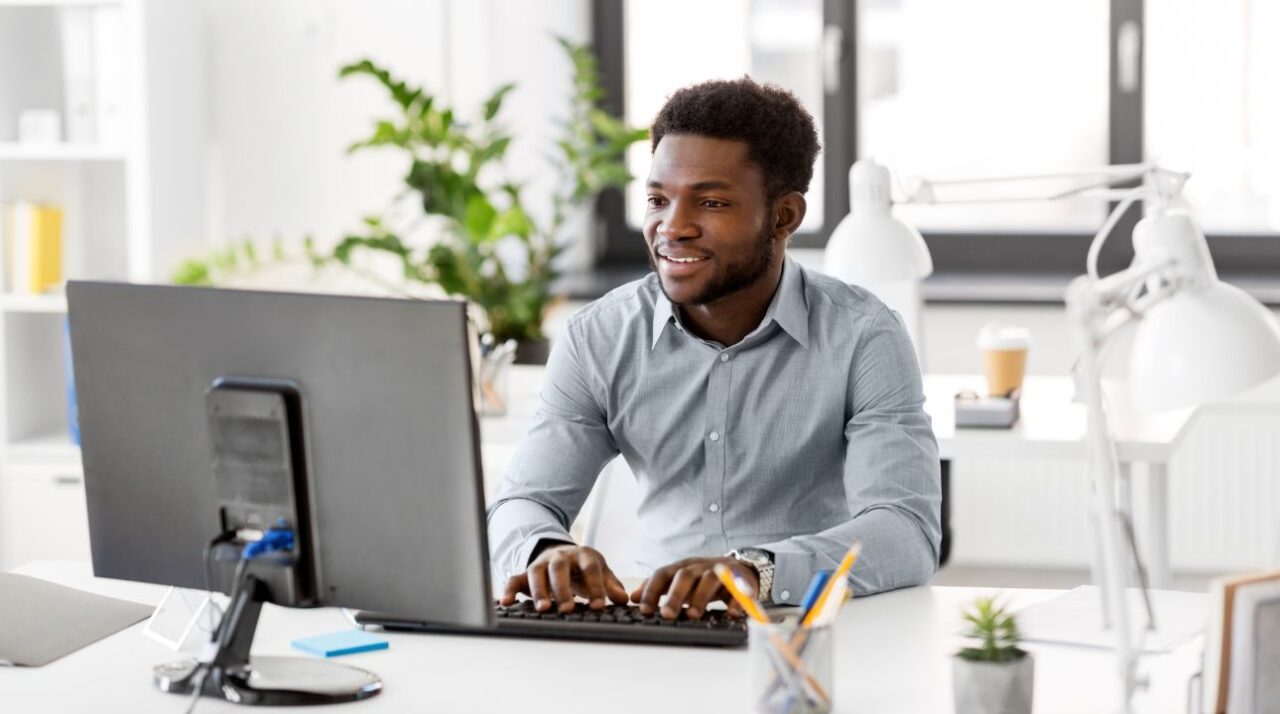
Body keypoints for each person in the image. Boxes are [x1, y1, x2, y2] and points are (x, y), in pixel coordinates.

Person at [487, 77, 940, 621]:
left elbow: (906, 530)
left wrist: (755, 571)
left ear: (784, 216)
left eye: (711, 202)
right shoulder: (598, 337)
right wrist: (544, 550)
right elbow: (523, 501)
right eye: (658, 200)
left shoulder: (864, 336)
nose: (672, 227)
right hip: (653, 626)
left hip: (806, 627)